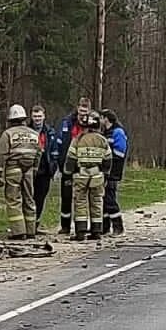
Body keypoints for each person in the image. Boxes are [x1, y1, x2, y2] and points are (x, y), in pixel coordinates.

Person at [0, 104, 43, 240]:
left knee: (14, 200)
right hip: (29, 171)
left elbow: (0, 156)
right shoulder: (34, 134)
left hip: (13, 170)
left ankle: (18, 232)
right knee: (29, 199)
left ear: (10, 120)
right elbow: (39, 153)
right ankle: (31, 230)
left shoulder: (8, 134)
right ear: (24, 119)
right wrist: (34, 169)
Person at [51, 96, 97, 235]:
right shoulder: (67, 122)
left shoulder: (93, 123)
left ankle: (84, 227)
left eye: (85, 111)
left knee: (84, 198)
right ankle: (65, 226)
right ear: (77, 108)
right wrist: (60, 164)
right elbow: (61, 143)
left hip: (86, 166)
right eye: (81, 110)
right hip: (68, 164)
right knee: (66, 197)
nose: (83, 113)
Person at [63, 122, 112, 241]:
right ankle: (96, 231)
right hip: (97, 175)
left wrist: (68, 174)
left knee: (80, 202)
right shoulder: (103, 140)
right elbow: (108, 159)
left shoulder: (78, 139)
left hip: (81, 175)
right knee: (97, 202)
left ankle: (80, 232)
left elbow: (71, 158)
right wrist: (106, 174)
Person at [98, 108, 128, 236]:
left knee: (110, 198)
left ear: (106, 118)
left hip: (113, 171)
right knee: (103, 199)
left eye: (101, 118)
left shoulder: (118, 132)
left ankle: (118, 226)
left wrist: (107, 156)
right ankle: (105, 227)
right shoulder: (106, 132)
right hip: (105, 170)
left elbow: (120, 152)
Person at [29, 104, 56, 232]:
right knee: (28, 197)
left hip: (45, 170)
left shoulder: (50, 132)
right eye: (35, 116)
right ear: (31, 117)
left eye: (39, 116)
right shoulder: (27, 130)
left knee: (40, 198)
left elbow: (55, 151)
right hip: (29, 169)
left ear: (44, 116)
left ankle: (36, 223)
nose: (37, 119)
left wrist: (53, 167)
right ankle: (28, 224)